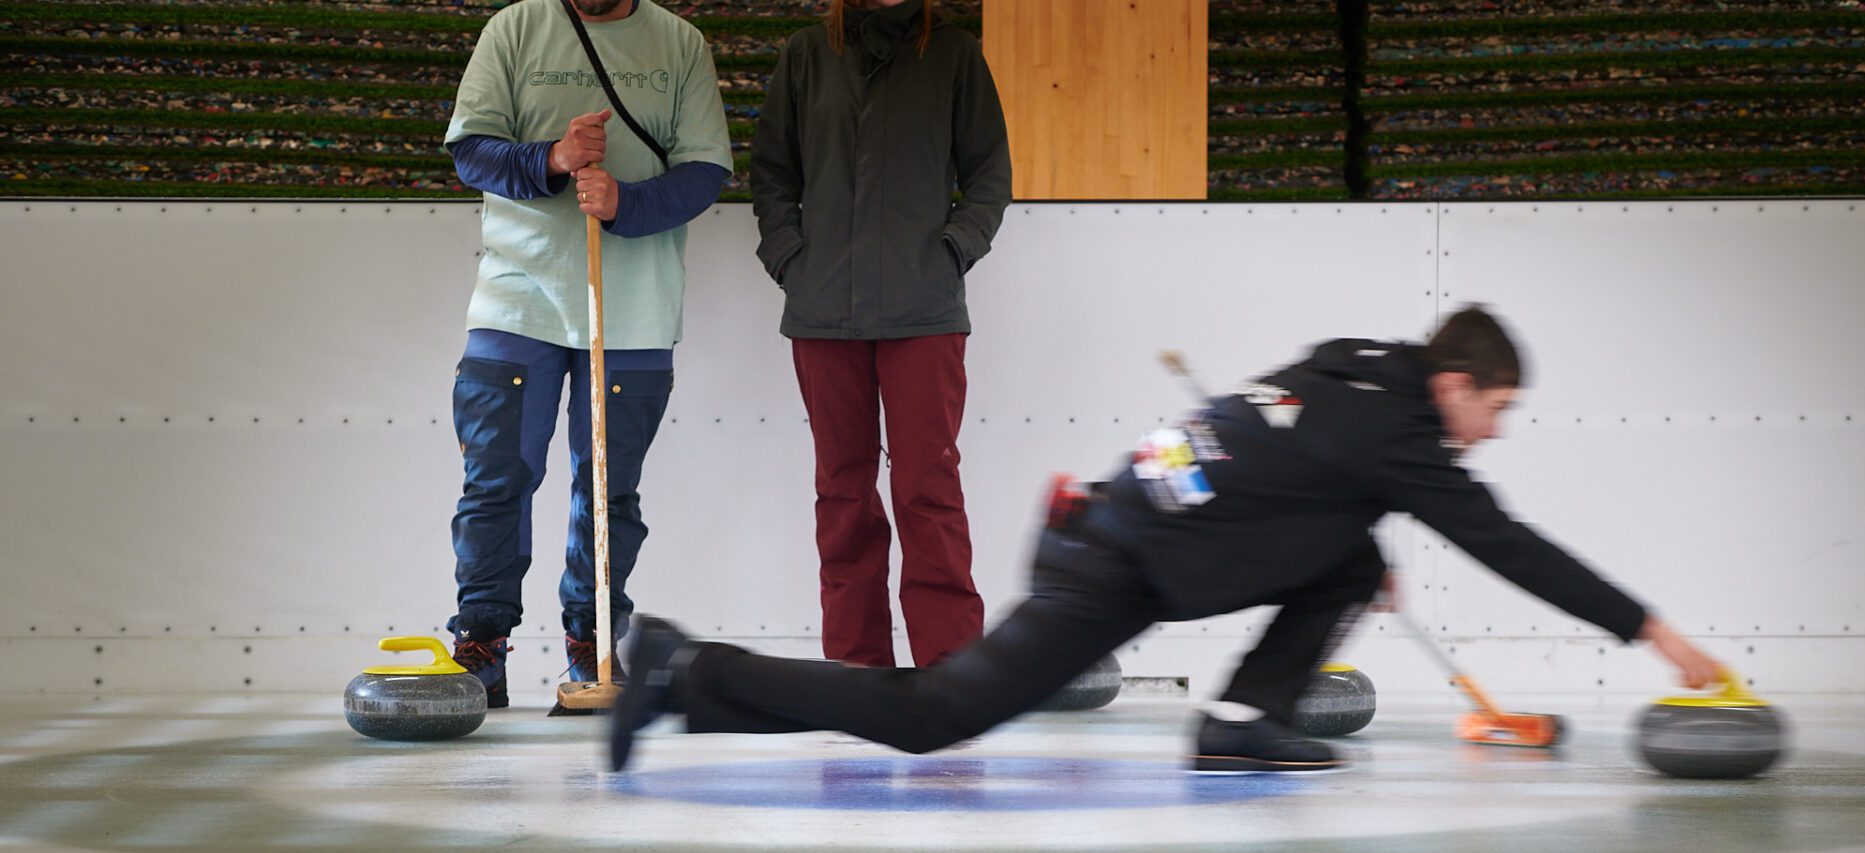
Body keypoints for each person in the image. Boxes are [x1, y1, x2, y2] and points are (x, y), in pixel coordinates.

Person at [607, 306, 1724, 772]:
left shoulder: (1361, 367)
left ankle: (1242, 720)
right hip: (1116, 556)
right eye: (1496, 409)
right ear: (1454, 385)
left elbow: (1280, 454)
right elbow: (1510, 545)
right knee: (933, 718)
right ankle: (685, 668)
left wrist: (1352, 550)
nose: (1494, 432)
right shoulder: (1402, 437)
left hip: (1131, 525)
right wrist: (1650, 631)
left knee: (1354, 556)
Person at [441, 0, 733, 706]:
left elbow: (705, 171)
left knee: (608, 488)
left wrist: (624, 203)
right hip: (518, 300)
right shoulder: (515, 29)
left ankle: (592, 645)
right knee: (495, 479)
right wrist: (554, 158)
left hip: (636, 311)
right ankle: (481, 645)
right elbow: (471, 150)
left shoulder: (678, 43)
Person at [750, 0, 1013, 669]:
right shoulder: (807, 55)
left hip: (924, 311)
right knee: (842, 491)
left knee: (928, 487)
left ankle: (952, 672)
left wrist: (953, 251)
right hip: (823, 310)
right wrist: (789, 258)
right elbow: (772, 172)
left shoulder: (953, 55)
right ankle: (856, 669)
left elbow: (989, 174)